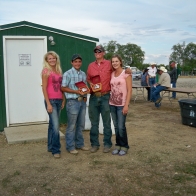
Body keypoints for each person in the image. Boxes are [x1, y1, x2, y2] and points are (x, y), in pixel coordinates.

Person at [87, 45, 131, 153]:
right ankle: (94, 144)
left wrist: (128, 70)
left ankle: (107, 144)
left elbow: (119, 70)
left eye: (100, 51)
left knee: (107, 122)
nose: (98, 53)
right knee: (94, 123)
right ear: (94, 53)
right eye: (96, 51)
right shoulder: (90, 66)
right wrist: (92, 85)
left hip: (106, 96)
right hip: (94, 97)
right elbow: (88, 79)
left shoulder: (109, 64)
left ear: (103, 53)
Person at [61, 54, 89, 154]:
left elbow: (84, 87)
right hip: (72, 102)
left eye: (79, 61)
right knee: (71, 126)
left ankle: (80, 144)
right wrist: (76, 92)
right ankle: (70, 147)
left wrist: (85, 96)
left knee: (80, 125)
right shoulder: (67, 74)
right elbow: (63, 87)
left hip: (82, 102)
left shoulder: (83, 74)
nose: (77, 63)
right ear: (72, 63)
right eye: (75, 61)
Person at [41, 51, 65, 159]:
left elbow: (61, 87)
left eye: (53, 58)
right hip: (51, 101)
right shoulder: (46, 71)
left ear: (56, 59)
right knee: (56, 126)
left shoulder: (59, 71)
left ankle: (50, 146)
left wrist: (63, 100)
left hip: (59, 100)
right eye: (49, 58)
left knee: (52, 125)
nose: (52, 60)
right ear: (47, 60)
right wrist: (48, 104)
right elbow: (44, 88)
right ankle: (56, 149)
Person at [109, 54, 132, 156]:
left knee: (121, 126)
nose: (114, 63)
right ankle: (118, 145)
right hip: (112, 103)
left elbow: (129, 90)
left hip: (122, 104)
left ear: (120, 62)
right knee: (116, 126)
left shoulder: (126, 74)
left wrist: (126, 105)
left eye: (116, 61)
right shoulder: (112, 74)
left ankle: (124, 146)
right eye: (113, 61)